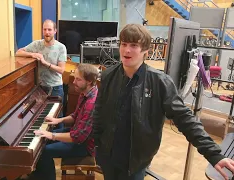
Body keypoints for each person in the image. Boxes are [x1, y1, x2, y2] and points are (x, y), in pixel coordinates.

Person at [92, 24, 234, 180]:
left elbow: (185, 119)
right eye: (124, 44)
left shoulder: (160, 82)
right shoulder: (109, 75)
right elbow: (99, 112)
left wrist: (214, 154)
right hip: (108, 156)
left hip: (135, 161)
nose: (126, 50)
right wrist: (97, 145)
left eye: (134, 45)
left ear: (145, 50)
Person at [30, 63, 99, 180]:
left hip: (85, 146)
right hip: (76, 133)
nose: (73, 82)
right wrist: (58, 120)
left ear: (89, 82)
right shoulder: (85, 93)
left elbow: (78, 137)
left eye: (78, 79)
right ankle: (37, 175)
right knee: (42, 141)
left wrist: (52, 135)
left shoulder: (91, 103)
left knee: (44, 151)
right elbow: (75, 116)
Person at [16, 19, 67, 119]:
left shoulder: (61, 47)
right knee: (40, 118)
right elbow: (18, 52)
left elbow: (61, 70)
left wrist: (45, 63)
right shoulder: (36, 44)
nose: (47, 32)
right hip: (39, 88)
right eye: (44, 29)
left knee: (56, 117)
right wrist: (32, 54)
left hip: (55, 88)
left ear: (55, 31)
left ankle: (56, 134)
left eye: (49, 29)